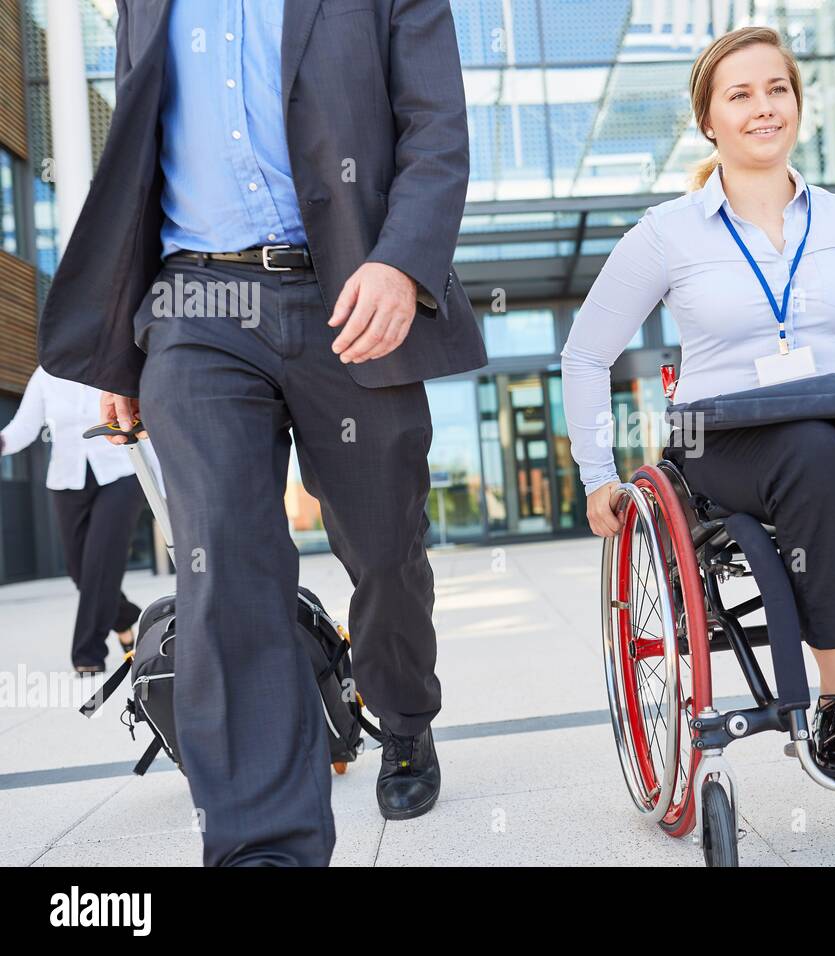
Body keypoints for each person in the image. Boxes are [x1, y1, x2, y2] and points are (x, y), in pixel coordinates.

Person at [37, 0, 486, 865]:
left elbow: (436, 126)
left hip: (352, 297)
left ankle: (403, 717)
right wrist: (124, 353)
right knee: (225, 567)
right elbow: (134, 159)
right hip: (197, 304)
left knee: (385, 547)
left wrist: (401, 263)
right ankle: (265, 846)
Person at [561, 27, 835, 782]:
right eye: (740, 95)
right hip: (728, 436)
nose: (763, 107)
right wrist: (595, 476)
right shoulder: (667, 232)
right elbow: (586, 354)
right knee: (815, 454)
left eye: (776, 89)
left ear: (798, 104)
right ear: (709, 120)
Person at [0, 366, 156, 673]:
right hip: (67, 479)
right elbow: (23, 428)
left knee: (100, 563)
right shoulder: (46, 375)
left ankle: (88, 655)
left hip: (121, 473)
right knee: (79, 572)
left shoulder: (113, 360)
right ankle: (125, 619)